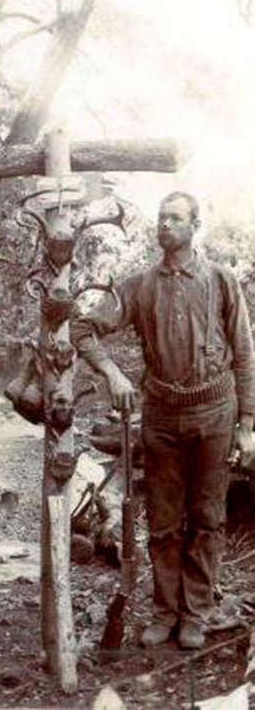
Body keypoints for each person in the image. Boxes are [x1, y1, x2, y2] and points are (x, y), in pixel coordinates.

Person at [72, 191, 255, 650]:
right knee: (164, 520)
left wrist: (248, 424)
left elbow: (246, 355)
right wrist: (112, 372)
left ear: (195, 226)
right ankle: (164, 611)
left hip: (215, 413)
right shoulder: (138, 286)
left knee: (207, 517)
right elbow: (81, 328)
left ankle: (196, 613)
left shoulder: (221, 281)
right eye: (161, 217)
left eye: (175, 218)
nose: (165, 224)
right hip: (160, 417)